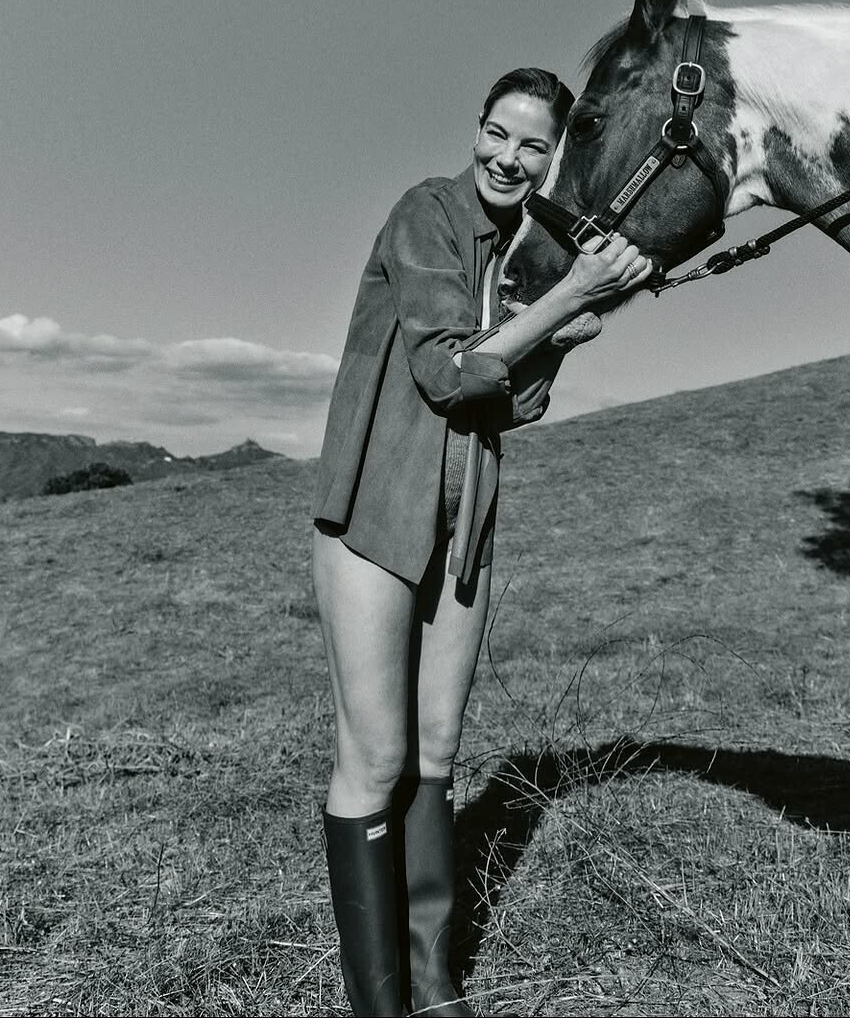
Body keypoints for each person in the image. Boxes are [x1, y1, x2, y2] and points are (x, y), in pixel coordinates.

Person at [312, 68, 653, 1017]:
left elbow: (516, 401)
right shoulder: (425, 213)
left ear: (553, 161)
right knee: (375, 758)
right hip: (375, 515)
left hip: (464, 528)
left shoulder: (523, 252)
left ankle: (430, 982)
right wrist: (567, 297)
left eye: (533, 146)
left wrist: (566, 326)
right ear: (477, 130)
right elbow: (449, 372)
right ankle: (380, 1005)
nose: (508, 157)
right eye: (498, 134)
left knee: (438, 749)